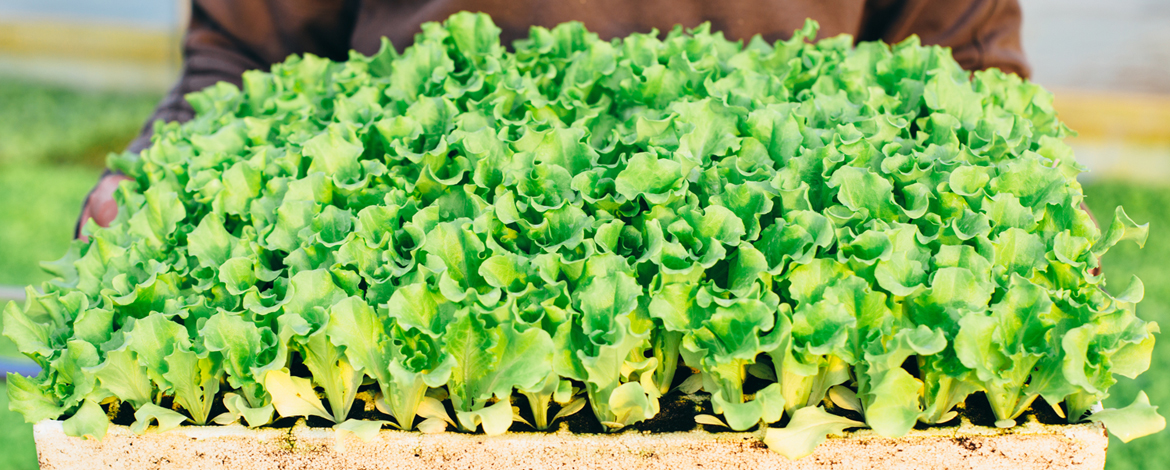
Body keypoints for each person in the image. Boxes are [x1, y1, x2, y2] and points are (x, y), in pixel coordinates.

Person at [76, 0, 1029, 234]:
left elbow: (958, 64)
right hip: (407, 259)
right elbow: (249, 53)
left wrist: (1020, 202)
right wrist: (162, 167)